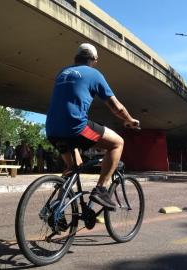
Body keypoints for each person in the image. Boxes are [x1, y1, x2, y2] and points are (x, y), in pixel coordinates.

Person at [45, 43, 140, 210]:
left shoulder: (62, 72)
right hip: (75, 127)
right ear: (94, 60)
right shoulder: (94, 74)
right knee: (118, 143)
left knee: (74, 167)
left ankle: (56, 209)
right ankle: (101, 190)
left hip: (52, 129)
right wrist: (129, 120)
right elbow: (116, 107)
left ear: (76, 58)